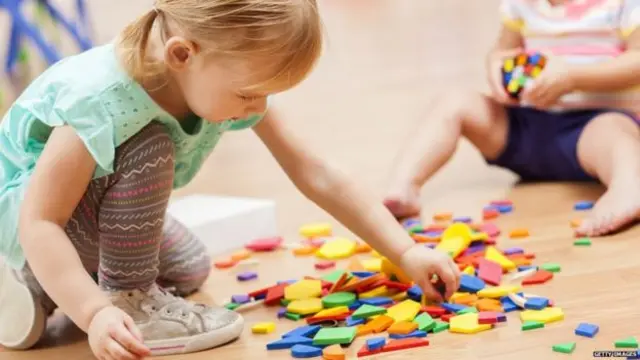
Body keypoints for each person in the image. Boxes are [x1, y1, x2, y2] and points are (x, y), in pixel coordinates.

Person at [0, 1, 460, 359]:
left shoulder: (211, 73)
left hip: (80, 219)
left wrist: (403, 249)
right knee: (150, 146)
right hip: (33, 215)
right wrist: (96, 313)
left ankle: (40, 285)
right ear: (182, 54)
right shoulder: (101, 100)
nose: (258, 108)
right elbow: (40, 221)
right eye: (248, 93)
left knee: (190, 267)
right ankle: (119, 298)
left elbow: (314, 170)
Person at [384, 0, 640, 237]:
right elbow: (502, 52)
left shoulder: (621, 5)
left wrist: (574, 78)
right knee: (456, 101)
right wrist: (497, 71)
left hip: (590, 129)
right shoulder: (523, 4)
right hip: (525, 127)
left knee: (616, 135)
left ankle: (629, 189)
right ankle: (405, 185)